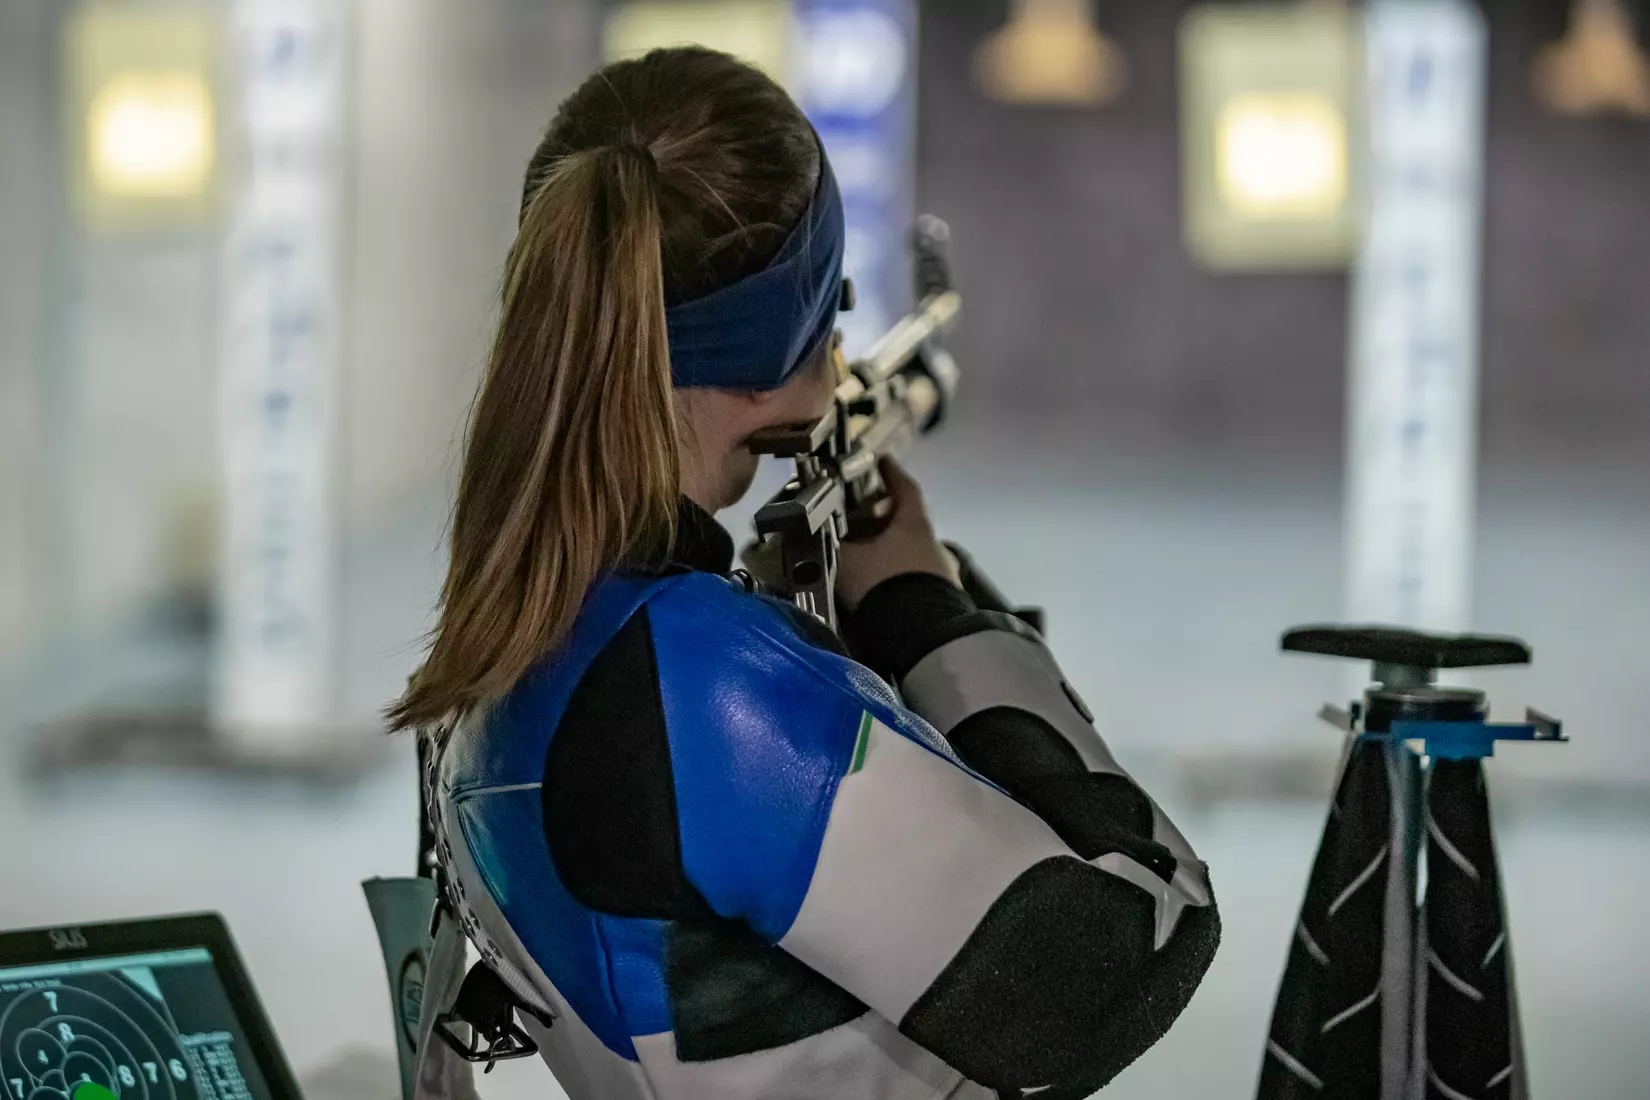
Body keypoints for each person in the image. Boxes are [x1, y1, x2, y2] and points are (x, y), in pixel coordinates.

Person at [387, 46, 1218, 1100]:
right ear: (792, 336)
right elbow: (1121, 956)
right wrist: (925, 608)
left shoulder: (517, 621)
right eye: (828, 311)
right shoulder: (703, 684)